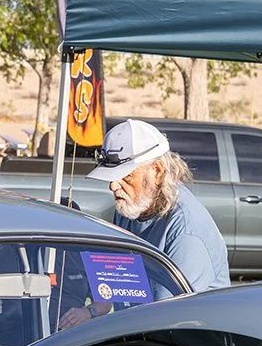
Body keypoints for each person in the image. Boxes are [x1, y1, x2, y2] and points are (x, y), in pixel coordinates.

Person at [83, 119, 230, 300]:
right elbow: (117, 287)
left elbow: (167, 312)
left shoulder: (186, 230)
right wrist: (92, 310)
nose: (113, 186)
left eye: (126, 176)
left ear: (157, 171)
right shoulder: (130, 207)